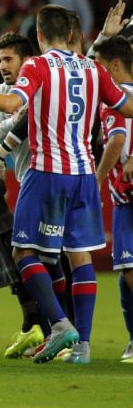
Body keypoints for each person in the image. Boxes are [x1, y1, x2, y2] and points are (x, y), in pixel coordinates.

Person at [0, 4, 133, 365]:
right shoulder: (92, 69)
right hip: (85, 174)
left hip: (46, 172)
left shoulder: (38, 66)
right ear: (72, 35)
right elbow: (127, 107)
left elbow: (12, 102)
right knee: (80, 256)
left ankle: (59, 325)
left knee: (23, 253)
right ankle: (82, 347)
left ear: (39, 36)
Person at [0, 32, 48, 359]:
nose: (2, 66)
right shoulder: (3, 94)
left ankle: (51, 326)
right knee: (0, 229)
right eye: (0, 59)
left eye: (9, 59)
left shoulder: (44, 86)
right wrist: (13, 121)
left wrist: (18, 121)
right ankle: (35, 321)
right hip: (25, 183)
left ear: (25, 60)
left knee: (45, 255)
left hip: (50, 177)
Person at [87, 36, 133, 363]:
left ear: (114, 66)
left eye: (102, 67)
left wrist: (96, 182)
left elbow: (116, 139)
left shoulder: (114, 100)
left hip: (126, 197)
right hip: (124, 197)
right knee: (124, 268)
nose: (97, 74)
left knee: (128, 268)